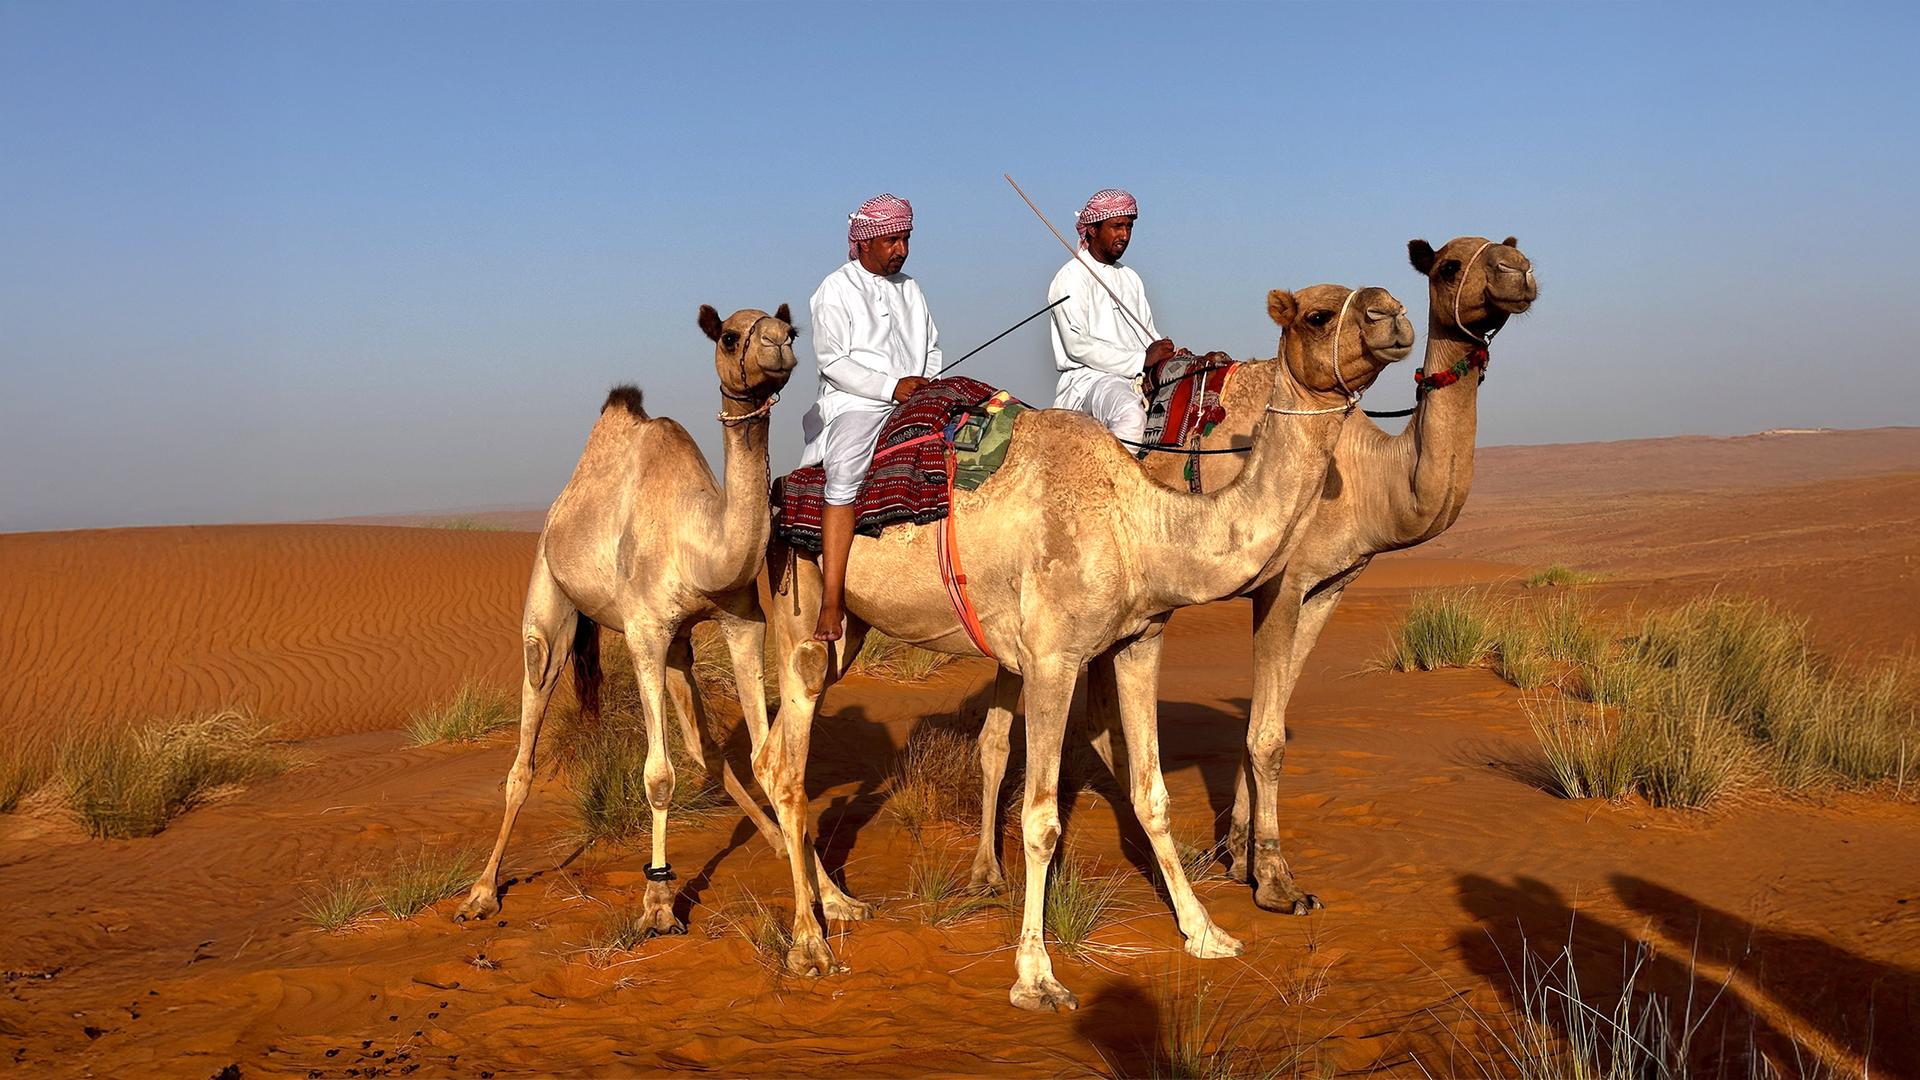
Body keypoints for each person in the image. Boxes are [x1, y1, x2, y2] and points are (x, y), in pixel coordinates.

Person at [796, 193, 943, 641]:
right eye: (891, 240)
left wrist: (925, 383)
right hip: (856, 402)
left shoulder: (912, 289)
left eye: (906, 239)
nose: (902, 249)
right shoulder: (834, 290)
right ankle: (831, 601)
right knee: (844, 473)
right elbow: (833, 362)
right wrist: (889, 387)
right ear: (863, 242)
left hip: (914, 396)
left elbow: (933, 348)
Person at [1048, 188, 1175, 444]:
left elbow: (1148, 336)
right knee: (1131, 417)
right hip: (1088, 381)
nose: (1125, 235)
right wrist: (1141, 359)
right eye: (1117, 226)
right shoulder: (1071, 277)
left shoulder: (1130, 278)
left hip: (1135, 378)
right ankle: (1111, 473)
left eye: (1129, 227)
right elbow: (1077, 346)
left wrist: (1169, 353)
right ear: (1093, 229)